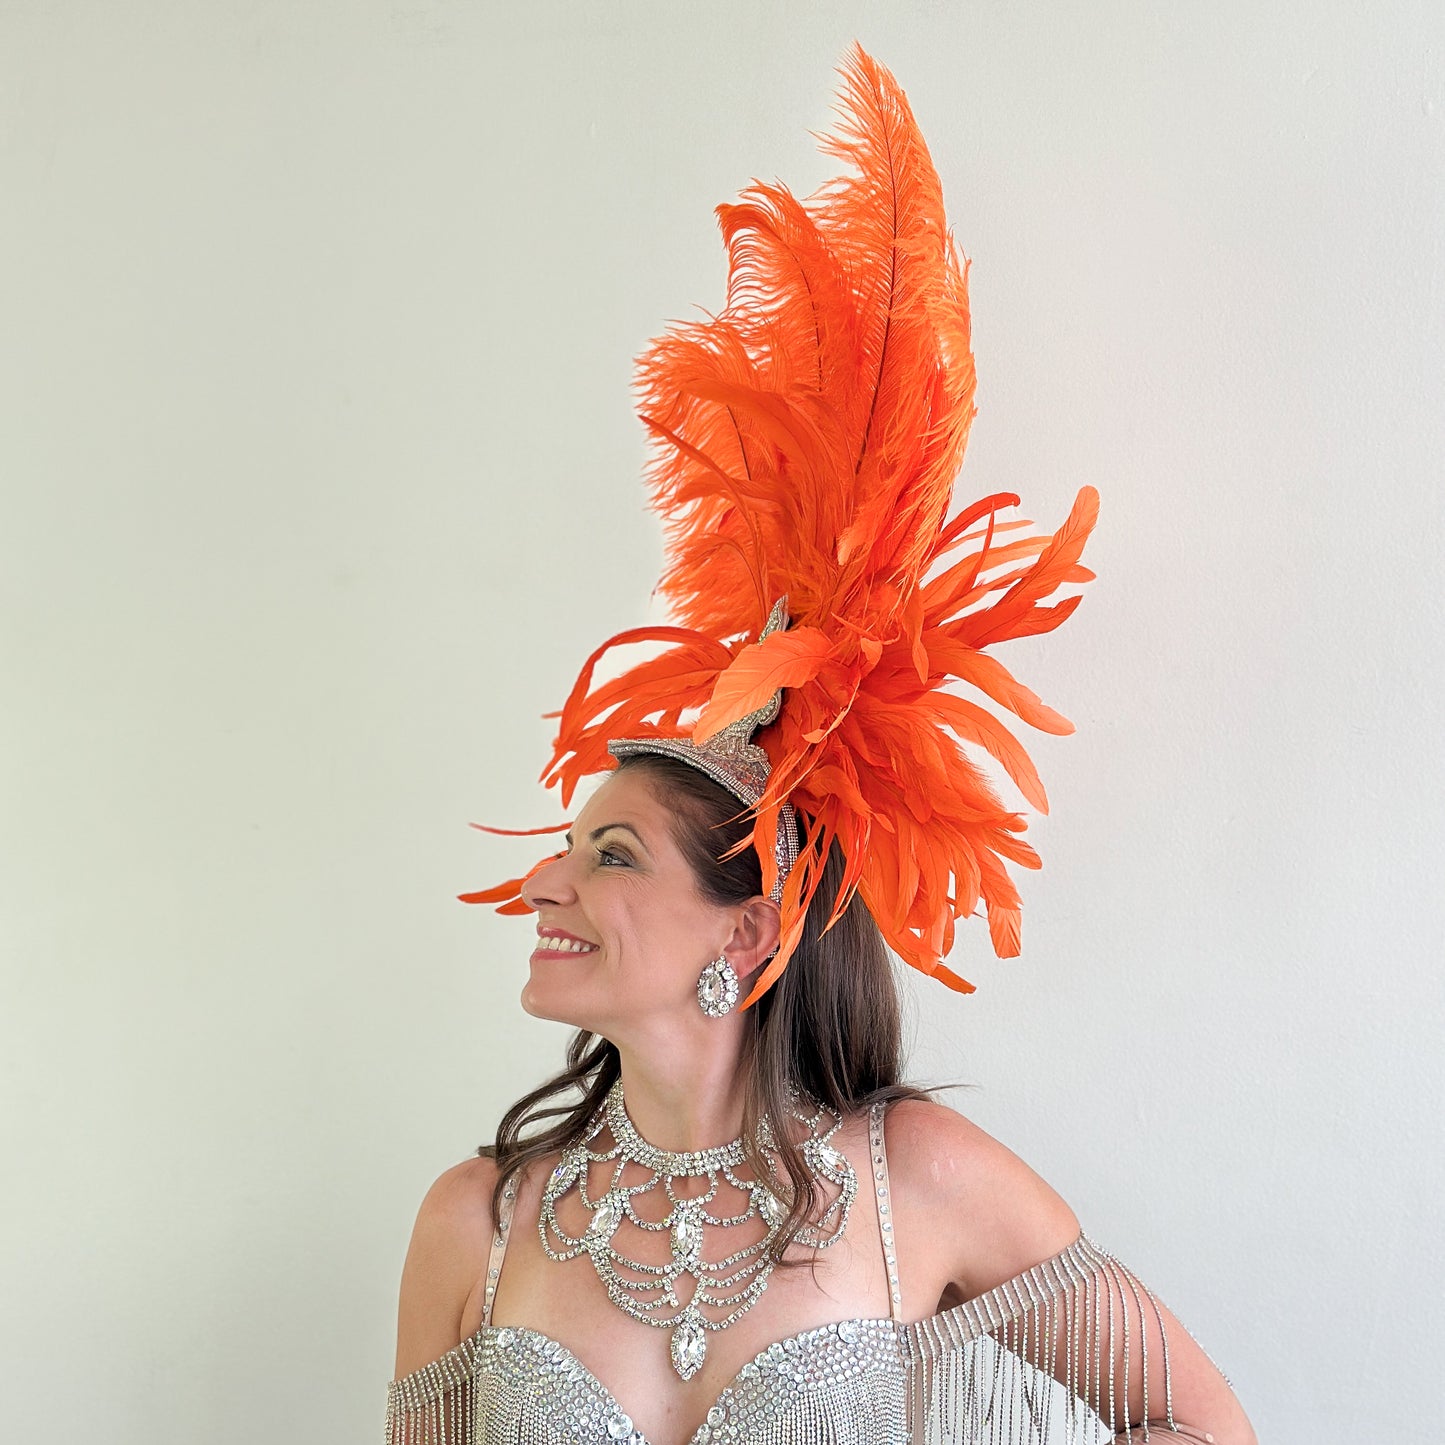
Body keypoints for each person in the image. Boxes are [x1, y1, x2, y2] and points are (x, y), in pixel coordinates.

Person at [386, 47, 1257, 1445]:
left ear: (750, 927)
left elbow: (1199, 1424)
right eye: (566, 848)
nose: (542, 883)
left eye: (610, 854)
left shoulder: (921, 1182)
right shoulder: (475, 1221)